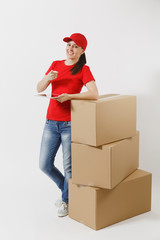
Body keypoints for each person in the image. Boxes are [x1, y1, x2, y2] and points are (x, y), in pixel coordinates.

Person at [37, 33, 99, 217]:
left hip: (69, 124)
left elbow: (94, 93)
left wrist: (70, 96)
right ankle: (69, 191)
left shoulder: (83, 69)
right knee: (44, 165)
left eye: (75, 46)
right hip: (50, 122)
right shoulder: (55, 65)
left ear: (82, 50)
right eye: (68, 45)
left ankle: (66, 200)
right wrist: (49, 78)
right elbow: (39, 88)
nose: (70, 49)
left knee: (68, 166)